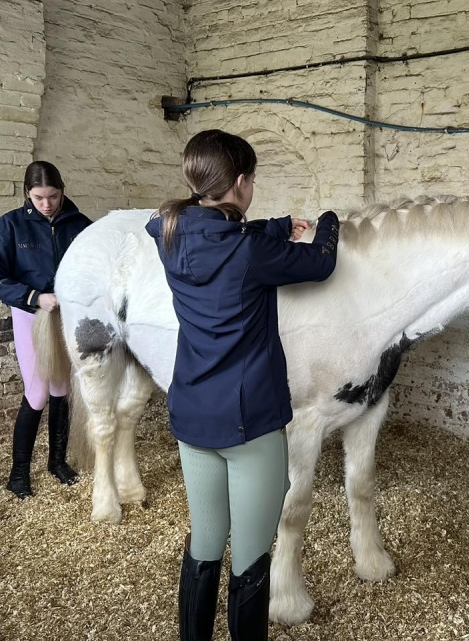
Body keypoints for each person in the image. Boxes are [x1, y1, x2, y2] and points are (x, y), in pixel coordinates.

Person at [145, 129, 340, 641]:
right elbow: (321, 264)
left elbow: (225, 237)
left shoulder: (168, 231)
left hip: (192, 415)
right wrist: (329, 224)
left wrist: (275, 226)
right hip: (248, 423)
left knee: (205, 544)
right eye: (251, 181)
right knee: (251, 558)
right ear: (239, 182)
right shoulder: (250, 249)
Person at [0, 161, 92, 498]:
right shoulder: (8, 228)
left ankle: (57, 462)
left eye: (53, 196)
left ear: (62, 191)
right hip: (32, 314)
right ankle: (18, 473)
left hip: (67, 315)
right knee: (38, 391)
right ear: (26, 193)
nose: (46, 205)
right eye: (39, 197)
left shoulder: (81, 225)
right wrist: (34, 297)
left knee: (61, 390)